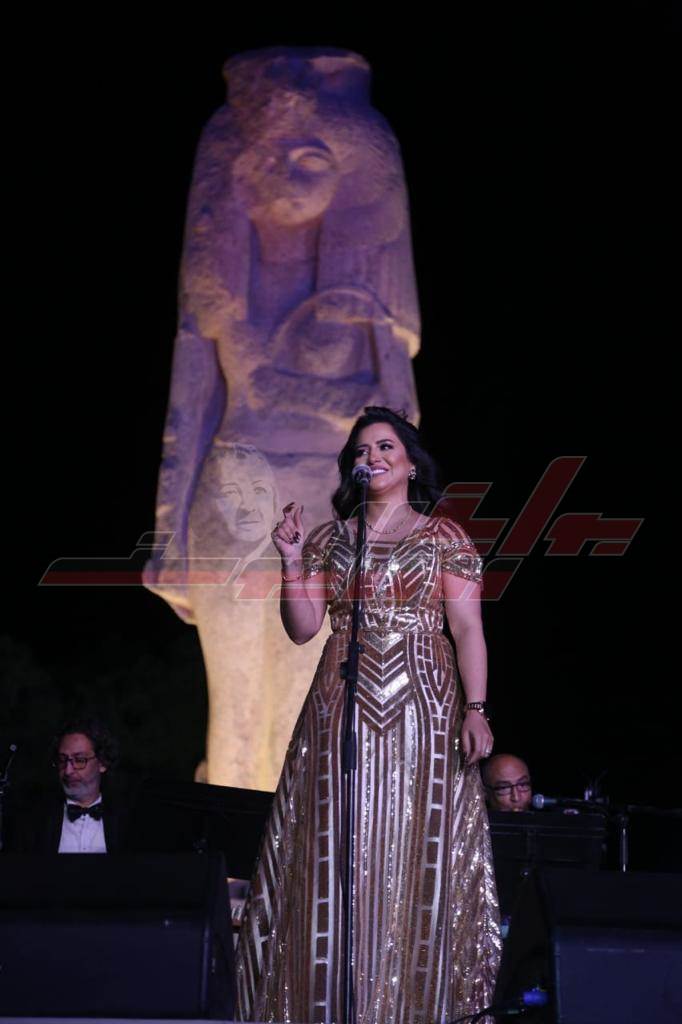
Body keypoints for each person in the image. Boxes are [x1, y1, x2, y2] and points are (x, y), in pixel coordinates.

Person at [235, 407, 501, 1024]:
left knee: (415, 841)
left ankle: (415, 1003)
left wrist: (477, 708)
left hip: (425, 702)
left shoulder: (444, 537)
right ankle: (331, 1001)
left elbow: (467, 628)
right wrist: (291, 561)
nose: (371, 458)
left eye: (384, 447)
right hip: (342, 700)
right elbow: (303, 629)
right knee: (336, 840)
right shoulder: (331, 539)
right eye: (361, 451)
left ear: (410, 464)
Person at [7, 717, 130, 854]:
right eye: (62, 760)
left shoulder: (127, 819)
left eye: (79, 760)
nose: (68, 771)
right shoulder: (34, 820)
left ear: (102, 763)